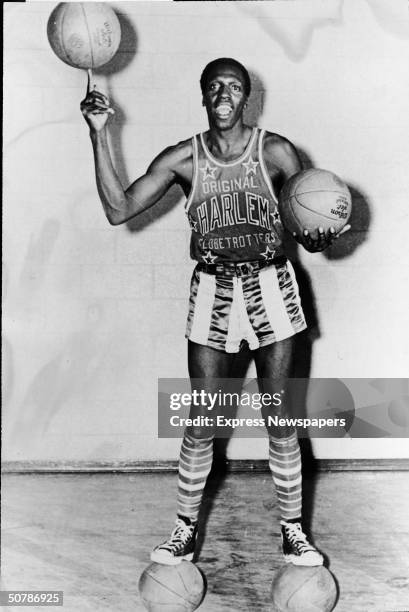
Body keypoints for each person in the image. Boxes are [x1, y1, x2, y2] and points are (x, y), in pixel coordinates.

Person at [81, 57, 348, 568]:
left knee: (279, 416)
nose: (223, 93)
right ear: (203, 96)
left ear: (247, 97)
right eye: (214, 86)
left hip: (271, 283)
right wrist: (98, 133)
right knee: (203, 418)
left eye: (233, 86)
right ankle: (184, 530)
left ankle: (293, 531)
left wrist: (319, 237)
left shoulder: (276, 151)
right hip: (212, 289)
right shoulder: (183, 159)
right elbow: (117, 209)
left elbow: (311, 233)